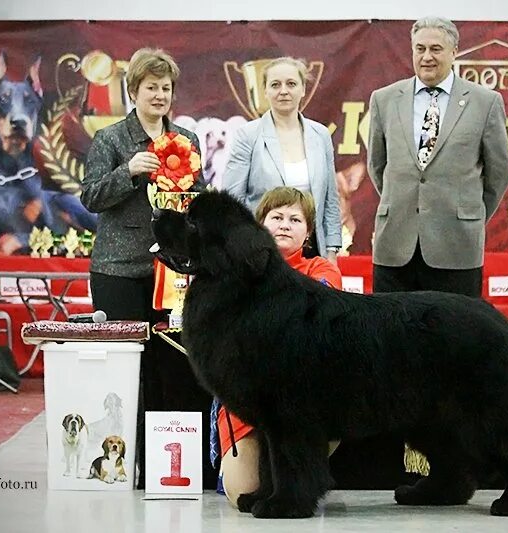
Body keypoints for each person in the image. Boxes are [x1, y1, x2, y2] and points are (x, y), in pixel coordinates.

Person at [80, 47, 204, 487]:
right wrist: (130, 171)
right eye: (151, 87)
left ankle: (173, 466)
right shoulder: (110, 140)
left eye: (166, 87)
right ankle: (126, 466)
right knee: (125, 374)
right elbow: (90, 195)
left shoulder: (187, 140)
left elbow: (197, 202)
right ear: (133, 91)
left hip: (172, 274)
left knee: (173, 367)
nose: (159, 94)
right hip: (118, 272)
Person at [211, 186, 342, 506]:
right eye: (277, 217)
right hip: (248, 407)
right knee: (244, 494)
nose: (285, 224)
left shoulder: (322, 271)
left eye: (295, 219)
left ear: (308, 232)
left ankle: (302, 477)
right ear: (260, 225)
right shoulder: (234, 273)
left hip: (305, 405)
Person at [367, 17, 508, 298]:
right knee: (391, 338)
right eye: (419, 49)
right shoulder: (383, 100)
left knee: (455, 339)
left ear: (454, 51)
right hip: (395, 249)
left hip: (457, 248)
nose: (427, 57)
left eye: (436, 49)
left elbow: (500, 172)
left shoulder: (485, 102)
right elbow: (377, 165)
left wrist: (469, 214)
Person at [223, 57, 341, 264]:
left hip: (311, 252)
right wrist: (244, 246)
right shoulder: (247, 136)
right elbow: (232, 201)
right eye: (275, 85)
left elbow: (330, 199)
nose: (283, 91)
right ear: (265, 91)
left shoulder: (321, 135)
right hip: (260, 251)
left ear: (303, 89)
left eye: (291, 84)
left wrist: (331, 250)